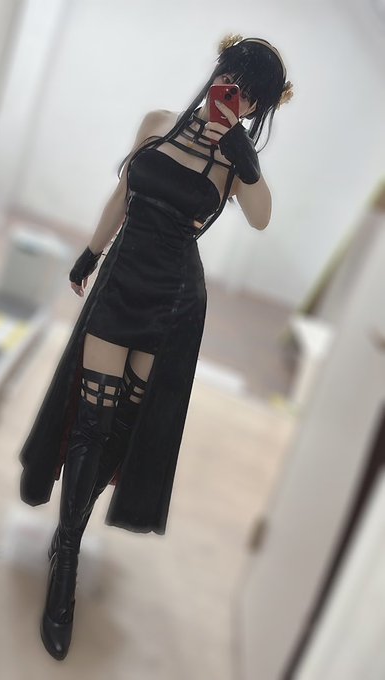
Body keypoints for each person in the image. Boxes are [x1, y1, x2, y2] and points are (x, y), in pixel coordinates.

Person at [17, 33, 293, 660]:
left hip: (173, 298)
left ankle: (69, 534)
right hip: (122, 280)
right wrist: (90, 252)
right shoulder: (158, 123)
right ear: (218, 73)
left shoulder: (236, 160)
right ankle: (65, 569)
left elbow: (261, 217)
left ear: (258, 108)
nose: (236, 96)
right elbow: (122, 193)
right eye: (233, 79)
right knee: (90, 422)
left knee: (122, 426)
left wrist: (242, 152)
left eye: (251, 96)